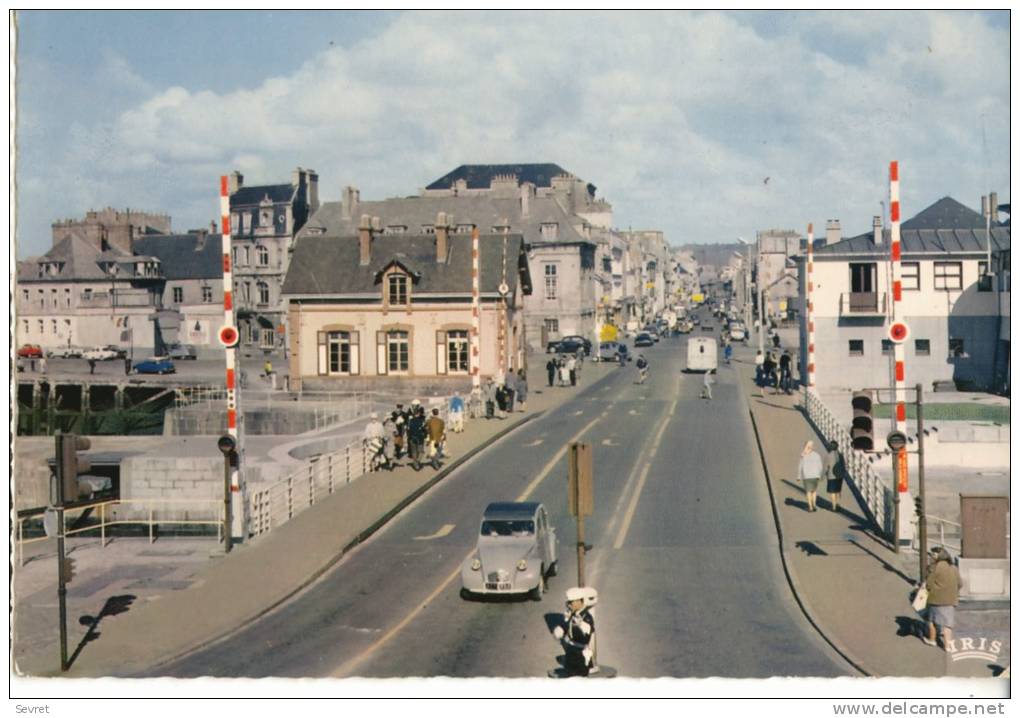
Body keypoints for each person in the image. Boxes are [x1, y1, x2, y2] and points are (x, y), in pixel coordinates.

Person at [553, 587, 598, 677]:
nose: (568, 605)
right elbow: (566, 628)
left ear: (579, 602)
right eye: (568, 602)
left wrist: (580, 625)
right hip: (571, 652)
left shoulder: (586, 617)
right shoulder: (572, 614)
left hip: (581, 654)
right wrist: (563, 625)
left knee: (580, 679)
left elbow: (586, 636)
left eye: (571, 602)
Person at [923, 547, 961, 649]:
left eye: (932, 555)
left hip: (936, 599)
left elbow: (929, 585)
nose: (931, 556)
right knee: (948, 624)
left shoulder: (934, 567)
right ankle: (948, 646)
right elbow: (960, 583)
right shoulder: (953, 567)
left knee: (931, 621)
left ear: (937, 557)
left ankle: (932, 640)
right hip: (951, 600)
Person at [798, 440, 823, 512]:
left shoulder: (803, 455)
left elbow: (801, 466)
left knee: (808, 492)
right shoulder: (817, 455)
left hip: (807, 476)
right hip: (815, 476)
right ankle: (814, 504)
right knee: (814, 491)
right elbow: (820, 466)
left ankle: (810, 507)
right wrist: (819, 474)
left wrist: (799, 476)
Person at [823, 439, 843, 511]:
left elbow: (825, 467)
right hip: (839, 476)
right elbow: (843, 465)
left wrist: (823, 476)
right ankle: (838, 504)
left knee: (832, 492)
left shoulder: (828, 456)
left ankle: (834, 507)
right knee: (838, 491)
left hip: (831, 476)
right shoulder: (840, 455)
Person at [406, 406, 428, 471]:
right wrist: (425, 436)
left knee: (414, 452)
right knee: (421, 452)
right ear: (418, 413)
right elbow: (425, 430)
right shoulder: (421, 421)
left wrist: (409, 437)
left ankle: (415, 465)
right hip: (420, 438)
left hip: (412, 438)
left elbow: (408, 430)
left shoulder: (410, 421)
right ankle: (417, 462)